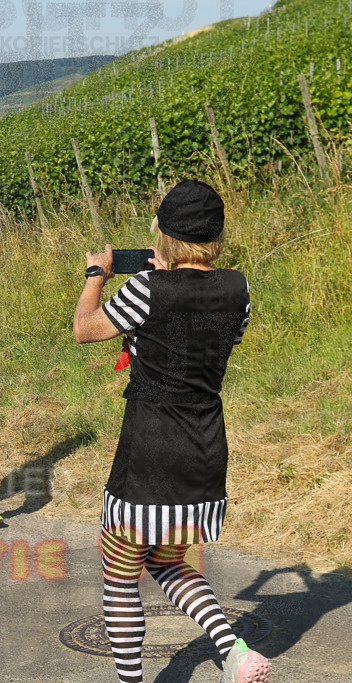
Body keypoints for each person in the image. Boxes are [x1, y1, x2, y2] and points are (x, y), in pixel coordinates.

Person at [72, 180, 268, 683]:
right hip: (204, 447)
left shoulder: (146, 289)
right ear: (216, 236)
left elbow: (86, 329)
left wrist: (96, 274)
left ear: (166, 236)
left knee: (119, 574)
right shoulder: (238, 288)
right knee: (167, 561)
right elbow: (214, 331)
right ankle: (234, 651)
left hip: (149, 450)